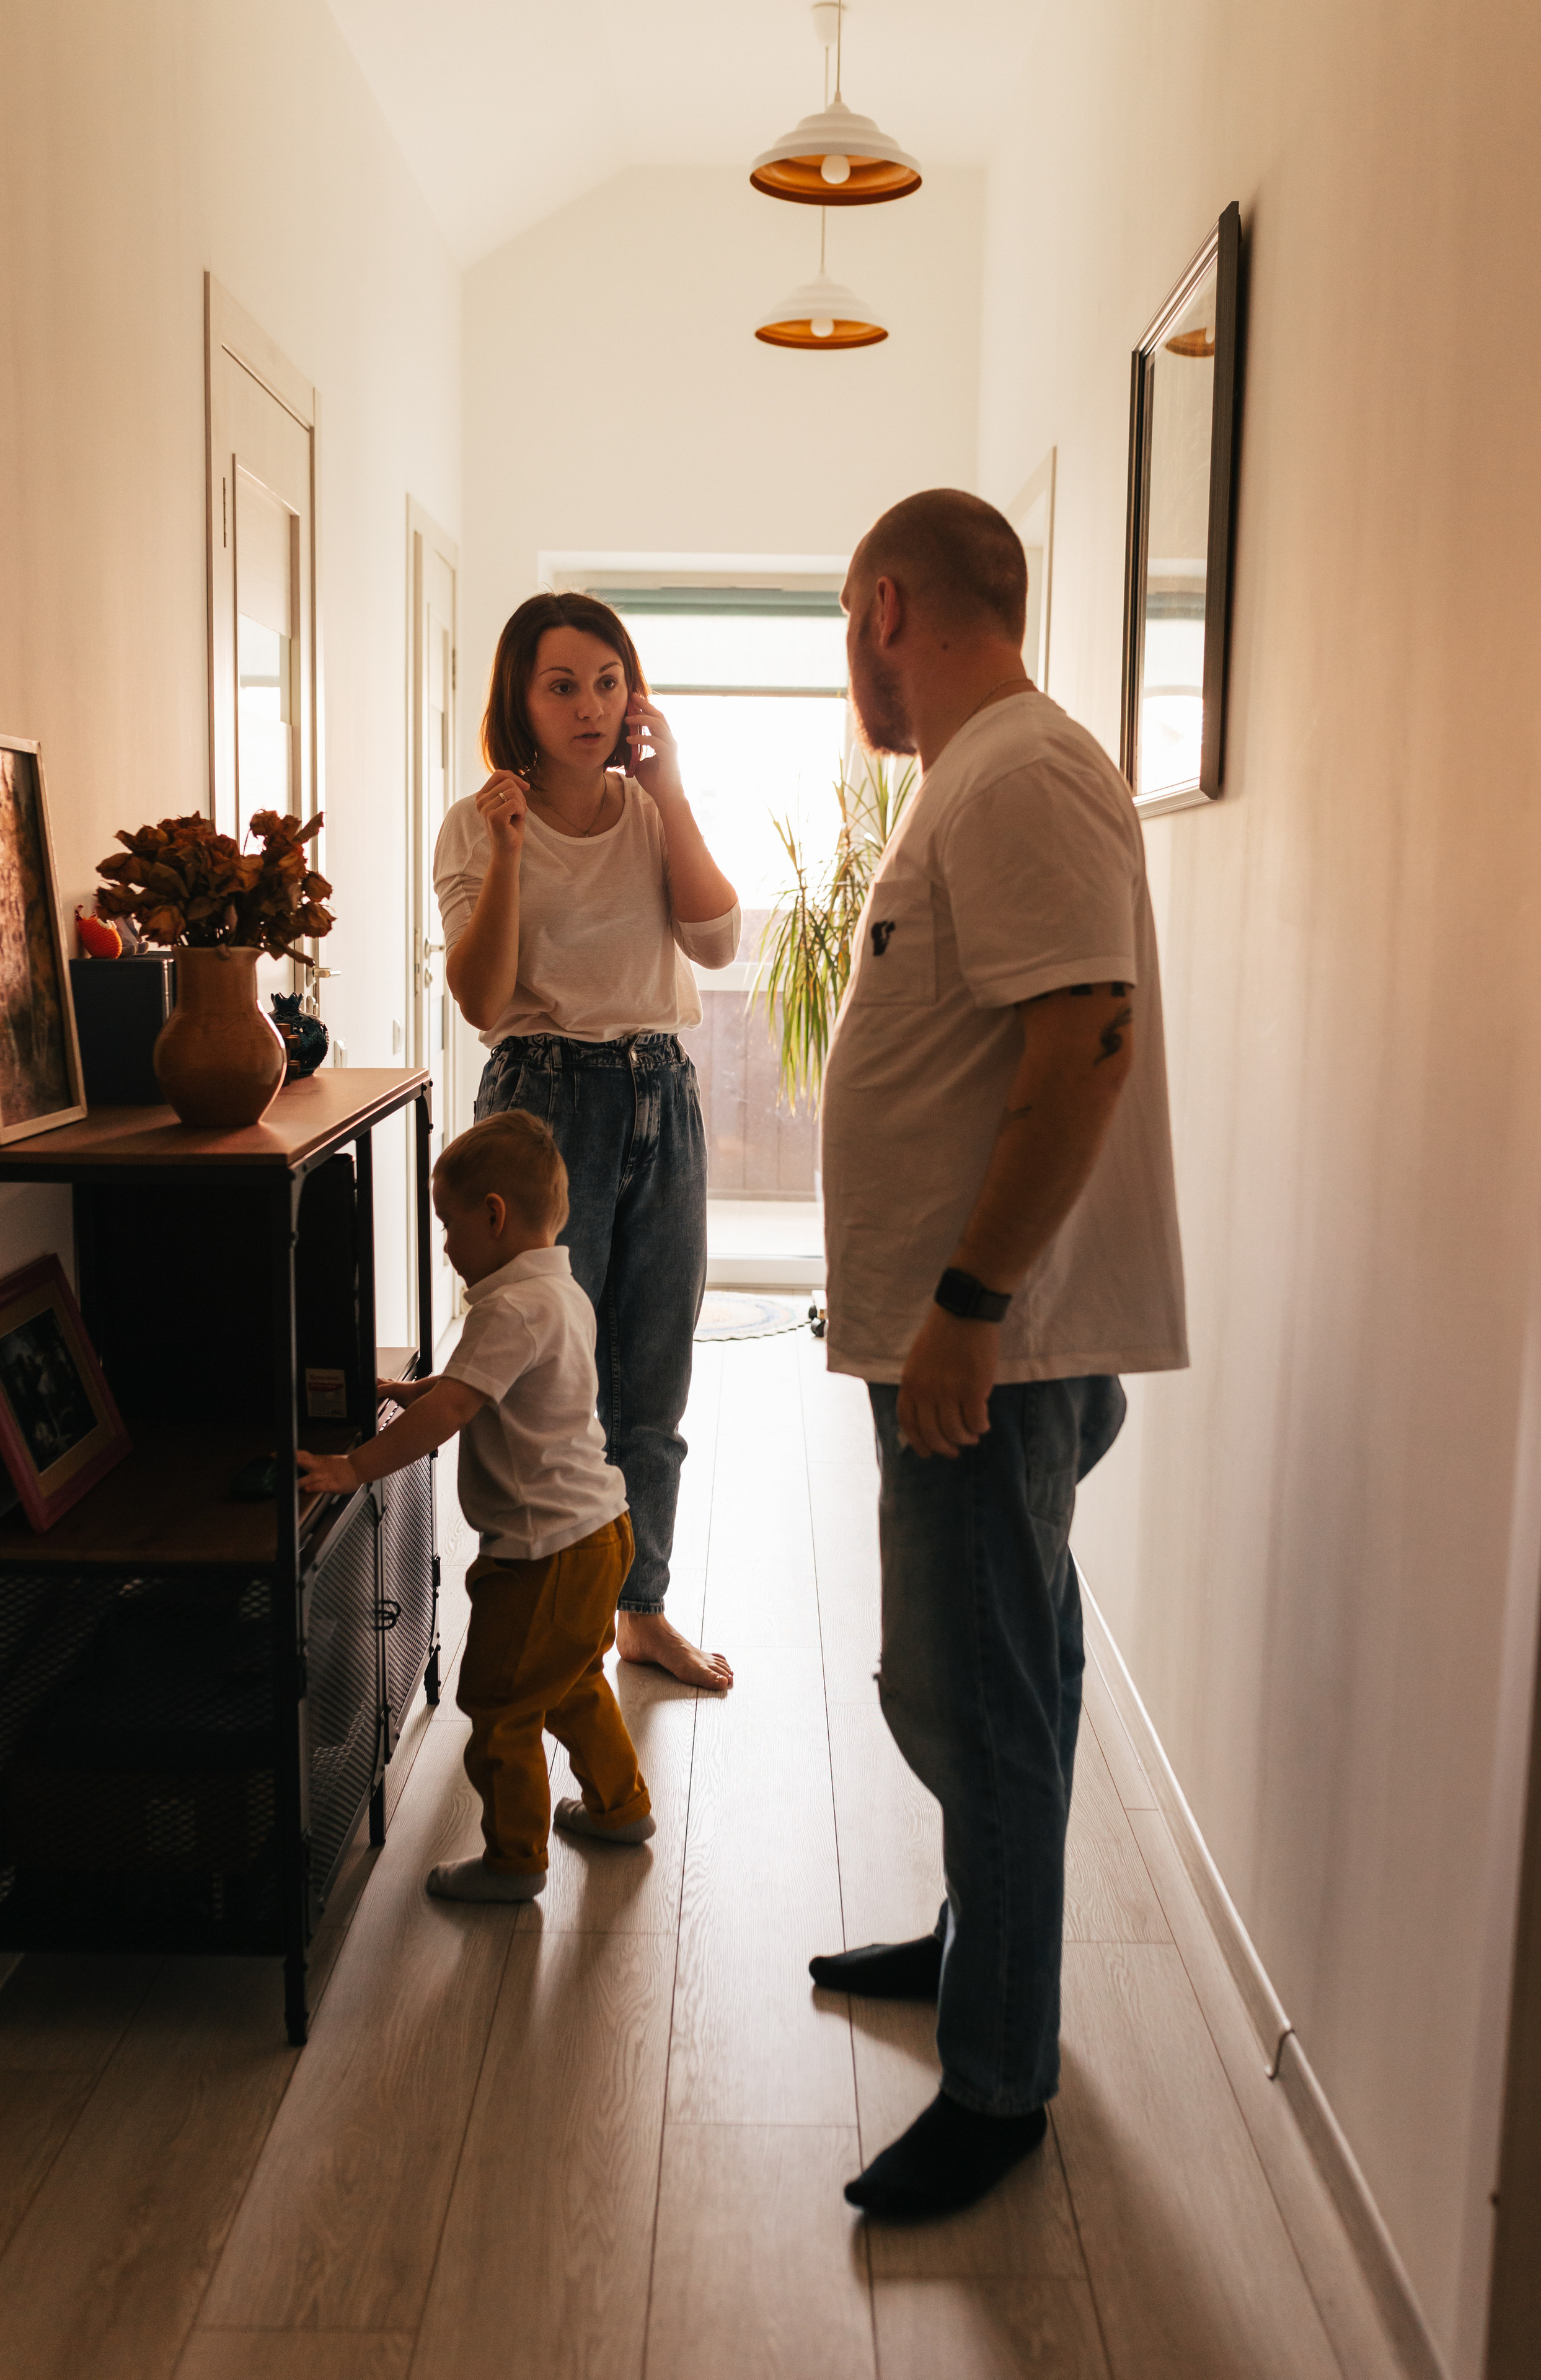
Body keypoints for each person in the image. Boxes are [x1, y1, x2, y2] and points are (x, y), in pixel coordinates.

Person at [809, 489, 1188, 2217]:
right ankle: (983, 1943)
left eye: (844, 628)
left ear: (885, 606)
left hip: (992, 1346)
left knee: (975, 1690)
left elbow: (1084, 1043)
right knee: (991, 1663)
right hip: (978, 1337)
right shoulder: (983, 772)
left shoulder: (1019, 771)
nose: (851, 662)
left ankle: (1000, 2083)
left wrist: (966, 1308)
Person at [435, 592, 738, 1695]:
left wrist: (671, 790)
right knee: (540, 1379)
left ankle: (640, 1610)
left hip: (662, 1092)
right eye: (562, 684)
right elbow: (483, 998)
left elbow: (715, 938)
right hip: (542, 1106)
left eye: (608, 682)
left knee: (652, 1375)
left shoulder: (651, 810)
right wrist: (511, 851)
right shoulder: (477, 824)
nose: (590, 706)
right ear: (519, 695)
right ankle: (534, 1614)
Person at [297, 1111, 654, 1903]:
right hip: (598, 1535)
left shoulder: (504, 1309)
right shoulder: (556, 1292)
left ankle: (514, 1860)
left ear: (493, 1215)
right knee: (570, 1684)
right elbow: (488, 1387)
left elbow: (456, 1410)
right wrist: (409, 1390)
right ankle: (620, 1807)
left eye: (449, 1228)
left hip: (542, 1555)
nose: (447, 1246)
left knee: (498, 1707)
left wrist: (353, 1467)